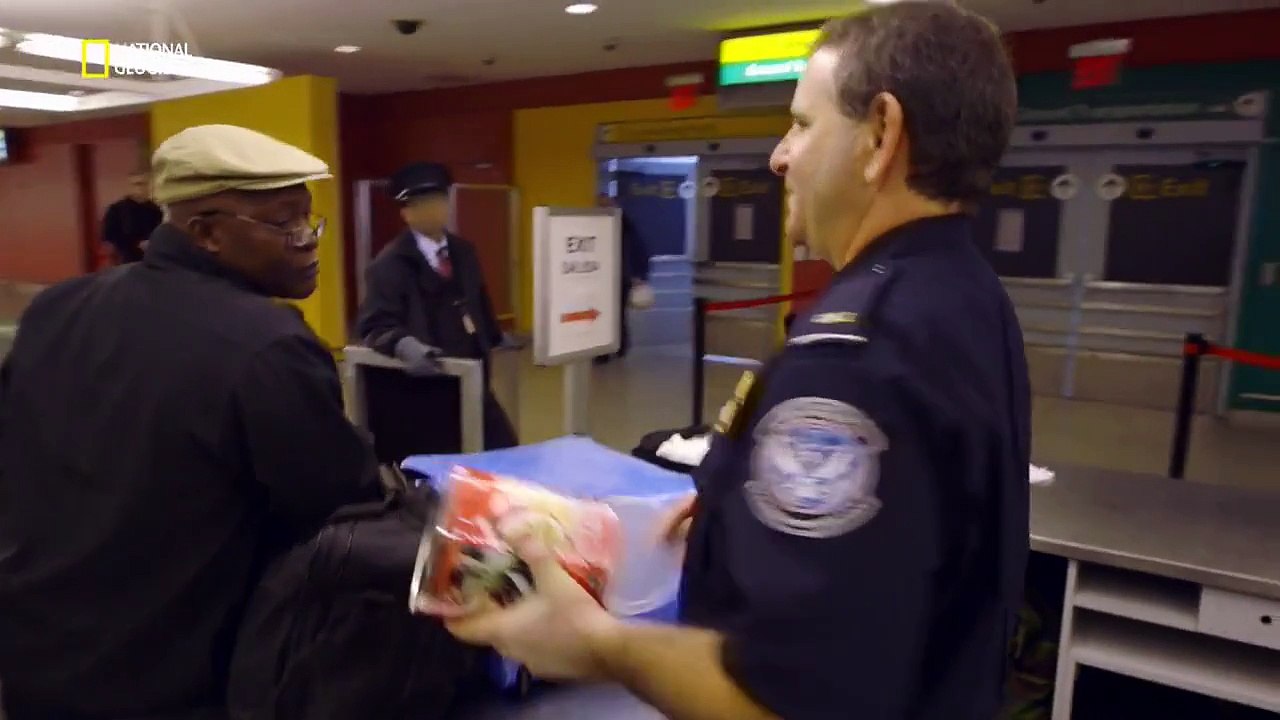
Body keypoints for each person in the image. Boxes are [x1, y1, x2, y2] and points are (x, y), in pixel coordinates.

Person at [442, 4, 1031, 720]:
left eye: (802, 124)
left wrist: (595, 643)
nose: (780, 156)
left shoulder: (850, 360)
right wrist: (735, 512)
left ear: (881, 134)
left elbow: (783, 702)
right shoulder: (964, 292)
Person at [0, 124, 382, 720]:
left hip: (35, 652)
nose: (308, 242)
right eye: (284, 223)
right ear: (206, 233)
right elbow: (336, 497)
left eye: (309, 220)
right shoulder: (266, 343)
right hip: (173, 669)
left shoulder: (57, 306)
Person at [356, 161, 519, 450]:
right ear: (406, 213)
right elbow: (374, 324)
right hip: (427, 393)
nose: (433, 210)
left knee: (504, 449)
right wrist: (402, 344)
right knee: (446, 464)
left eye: (438, 201)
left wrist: (492, 334)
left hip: (474, 381)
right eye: (421, 204)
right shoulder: (390, 264)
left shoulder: (463, 252)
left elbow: (478, 299)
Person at [594, 193, 652, 364]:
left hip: (620, 277)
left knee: (616, 314)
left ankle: (616, 346)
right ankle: (609, 349)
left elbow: (640, 252)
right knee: (606, 314)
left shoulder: (626, 228)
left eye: (606, 205)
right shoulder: (623, 227)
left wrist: (639, 275)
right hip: (604, 277)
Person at [101, 169, 164, 263]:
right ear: (130, 187)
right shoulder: (117, 210)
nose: (142, 188)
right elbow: (109, 237)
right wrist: (136, 244)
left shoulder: (156, 210)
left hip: (153, 259)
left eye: (146, 184)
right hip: (126, 260)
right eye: (137, 184)